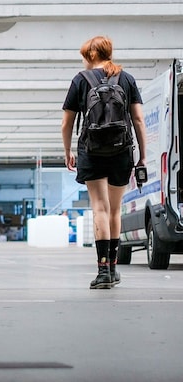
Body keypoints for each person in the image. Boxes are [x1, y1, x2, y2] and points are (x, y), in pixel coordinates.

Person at [61, 36, 147, 289]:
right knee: (115, 209)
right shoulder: (127, 79)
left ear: (90, 55)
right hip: (121, 150)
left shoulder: (80, 80)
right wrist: (142, 155)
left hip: (92, 150)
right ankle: (113, 267)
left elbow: (67, 123)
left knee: (99, 208)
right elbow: (138, 120)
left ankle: (102, 272)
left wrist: (67, 151)